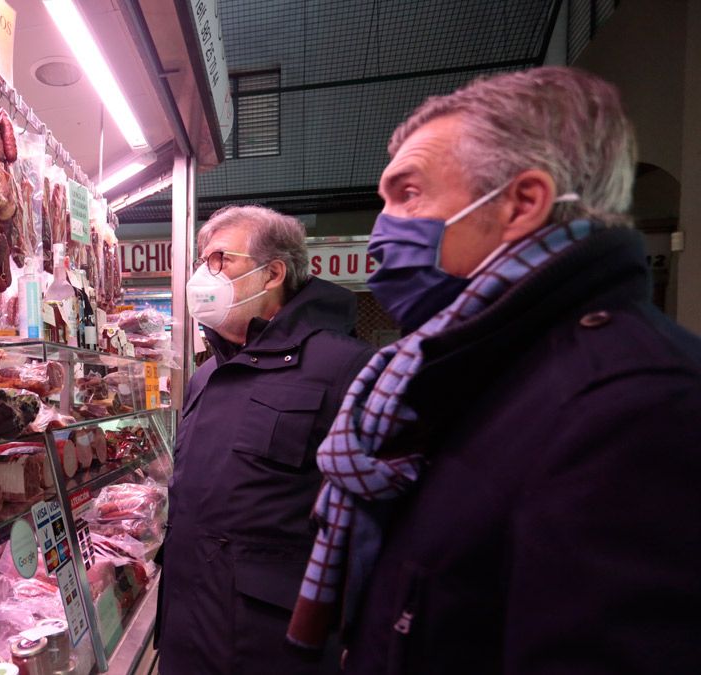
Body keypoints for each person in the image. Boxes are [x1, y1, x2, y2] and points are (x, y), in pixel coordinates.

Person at [288, 66, 701, 673]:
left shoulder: (638, 408)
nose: (380, 233)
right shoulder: (457, 374)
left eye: (407, 194)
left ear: (522, 204)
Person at [156, 205, 373, 675]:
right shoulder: (207, 375)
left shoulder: (346, 368)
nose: (201, 277)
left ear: (272, 272)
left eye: (219, 260)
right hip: (187, 632)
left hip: (272, 646)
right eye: (201, 261)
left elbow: (371, 527)